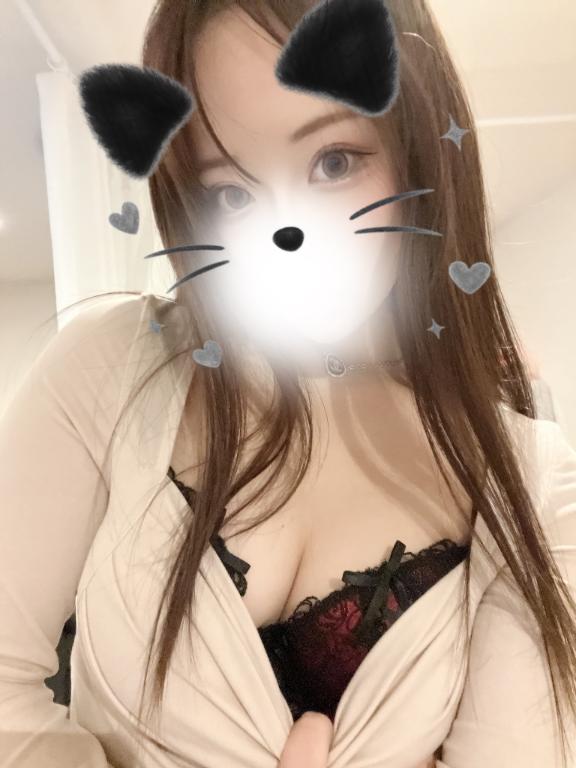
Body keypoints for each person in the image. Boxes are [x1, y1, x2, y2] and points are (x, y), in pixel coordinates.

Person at [1, 1, 576, 767]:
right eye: (231, 194)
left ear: (417, 148)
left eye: (334, 162)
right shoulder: (112, 366)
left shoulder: (530, 483)